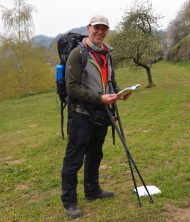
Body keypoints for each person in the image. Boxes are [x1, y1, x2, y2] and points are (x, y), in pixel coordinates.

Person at [61, 14, 129, 219]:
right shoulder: (77, 53)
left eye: (104, 28)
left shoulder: (107, 53)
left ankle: (92, 191)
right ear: (88, 28)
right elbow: (72, 88)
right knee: (74, 159)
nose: (100, 31)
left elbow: (111, 80)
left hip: (102, 113)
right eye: (97, 28)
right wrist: (100, 99)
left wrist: (118, 93)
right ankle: (69, 201)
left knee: (95, 153)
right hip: (81, 113)